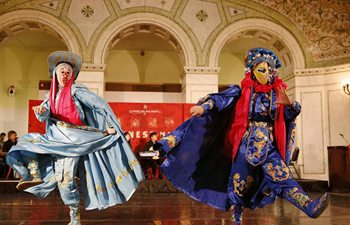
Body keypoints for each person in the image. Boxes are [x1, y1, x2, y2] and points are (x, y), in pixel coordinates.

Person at [154, 48, 329, 224]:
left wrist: (290, 105)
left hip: (269, 148)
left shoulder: (276, 95)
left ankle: (309, 207)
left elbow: (289, 116)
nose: (266, 74)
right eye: (261, 70)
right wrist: (204, 108)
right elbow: (221, 100)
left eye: (269, 70)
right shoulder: (242, 92)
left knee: (283, 178)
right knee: (240, 186)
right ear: (252, 71)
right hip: (246, 148)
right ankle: (237, 215)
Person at [6, 51, 144, 225]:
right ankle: (33, 175)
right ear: (55, 74)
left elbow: (99, 104)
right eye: (61, 71)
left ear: (72, 76)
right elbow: (44, 114)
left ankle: (74, 214)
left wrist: (110, 125)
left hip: (76, 139)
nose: (65, 74)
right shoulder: (51, 96)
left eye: (68, 72)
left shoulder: (76, 90)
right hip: (56, 137)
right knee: (25, 143)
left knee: (65, 180)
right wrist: (42, 112)